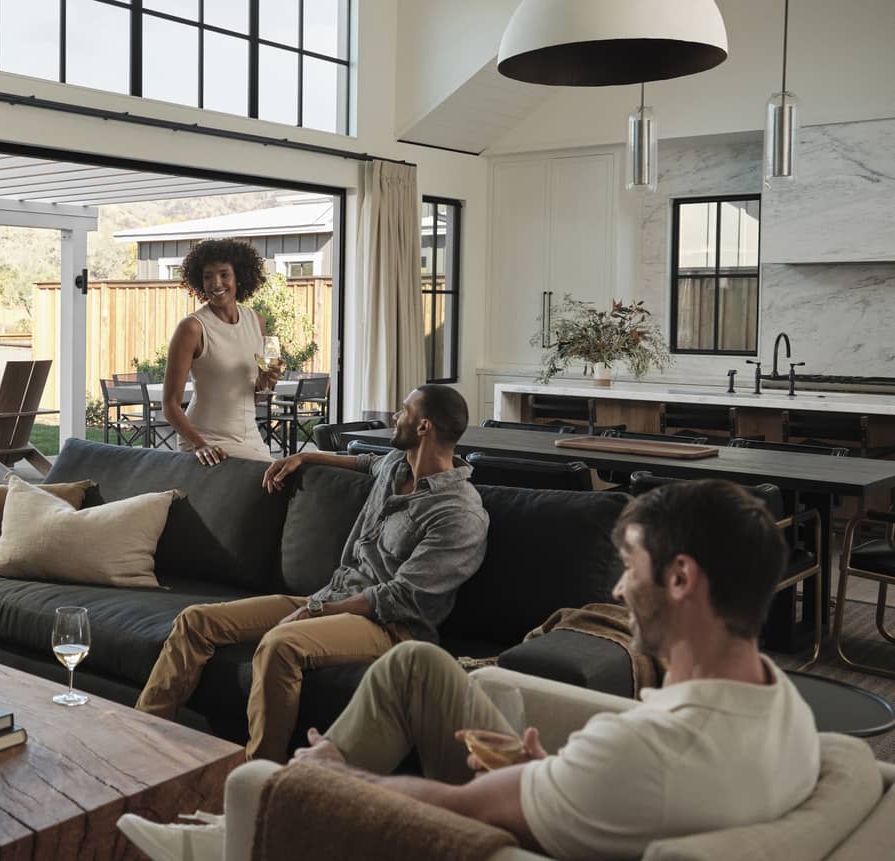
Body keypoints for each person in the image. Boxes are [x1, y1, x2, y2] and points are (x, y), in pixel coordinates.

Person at [121, 479, 819, 861]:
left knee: (320, 770)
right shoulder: (784, 705)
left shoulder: (642, 756)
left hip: (505, 835)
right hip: (583, 799)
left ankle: (241, 834)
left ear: (681, 578)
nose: (615, 592)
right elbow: (637, 769)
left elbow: (456, 809)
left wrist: (340, 781)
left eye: (630, 569)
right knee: (416, 664)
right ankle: (233, 829)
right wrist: (546, 769)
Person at [134, 384, 489, 762]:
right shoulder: (396, 466)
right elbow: (363, 462)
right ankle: (144, 742)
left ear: (424, 428)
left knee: (280, 644)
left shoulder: (459, 514)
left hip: (389, 626)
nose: (396, 417)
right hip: (332, 594)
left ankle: (262, 776)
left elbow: (399, 598)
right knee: (196, 621)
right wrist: (306, 457)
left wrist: (316, 611)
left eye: (404, 410)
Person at [161, 239, 283, 465]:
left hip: (251, 437)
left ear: (239, 276)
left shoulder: (256, 321)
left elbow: (252, 397)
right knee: (275, 477)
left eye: (224, 274)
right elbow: (169, 405)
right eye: (208, 276)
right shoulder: (192, 327)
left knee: (281, 479)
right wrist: (200, 445)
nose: (216, 283)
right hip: (207, 439)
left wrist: (265, 383)